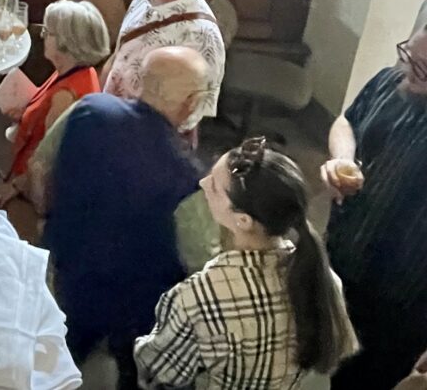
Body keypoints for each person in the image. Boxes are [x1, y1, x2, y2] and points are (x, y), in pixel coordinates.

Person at [44, 46, 213, 390]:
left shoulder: (89, 108)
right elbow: (199, 260)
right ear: (190, 103)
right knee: (134, 373)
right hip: (139, 306)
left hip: (69, 270)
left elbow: (40, 166)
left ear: (140, 81)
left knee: (60, 351)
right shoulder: (187, 177)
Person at [136, 136, 356, 388]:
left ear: (243, 220)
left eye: (214, 186)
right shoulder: (322, 278)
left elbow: (160, 371)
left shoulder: (198, 298)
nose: (203, 183)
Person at [321, 0, 427, 389]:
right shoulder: (388, 81)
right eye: (409, 56)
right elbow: (347, 121)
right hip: (339, 266)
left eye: (423, 70)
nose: (408, 72)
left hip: (398, 305)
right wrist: (342, 158)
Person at [0, 0, 108, 214]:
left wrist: (14, 187)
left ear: (66, 43)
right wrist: (26, 114)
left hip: (35, 188)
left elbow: (49, 159)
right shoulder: (78, 70)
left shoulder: (65, 97)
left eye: (48, 32)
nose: (43, 37)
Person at [102, 0, 225, 130]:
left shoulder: (202, 34)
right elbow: (119, 55)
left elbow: (192, 111)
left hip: (145, 134)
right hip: (110, 120)